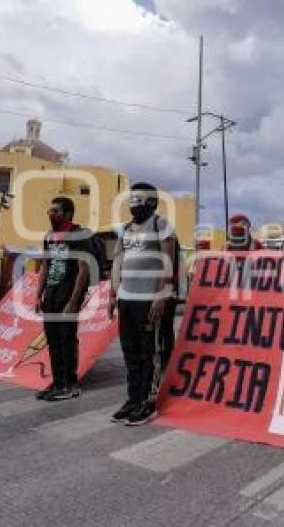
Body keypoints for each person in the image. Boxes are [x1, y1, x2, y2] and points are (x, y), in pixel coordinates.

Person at [108, 182, 178, 426]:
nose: (133, 203)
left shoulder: (161, 224)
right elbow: (117, 262)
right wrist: (111, 295)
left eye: (138, 199)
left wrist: (161, 296)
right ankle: (133, 398)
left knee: (151, 352)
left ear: (151, 201)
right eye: (131, 198)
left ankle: (149, 403)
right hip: (126, 299)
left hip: (150, 300)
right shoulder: (126, 229)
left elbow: (167, 263)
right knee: (131, 352)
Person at [34, 197, 90, 402]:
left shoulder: (78, 235)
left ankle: (71, 383)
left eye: (56, 211)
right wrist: (38, 295)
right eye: (50, 210)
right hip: (51, 294)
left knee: (67, 339)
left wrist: (74, 300)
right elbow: (45, 266)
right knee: (53, 339)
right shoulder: (49, 236)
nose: (51, 214)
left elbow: (83, 270)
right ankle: (58, 382)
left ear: (67, 214)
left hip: (68, 293)